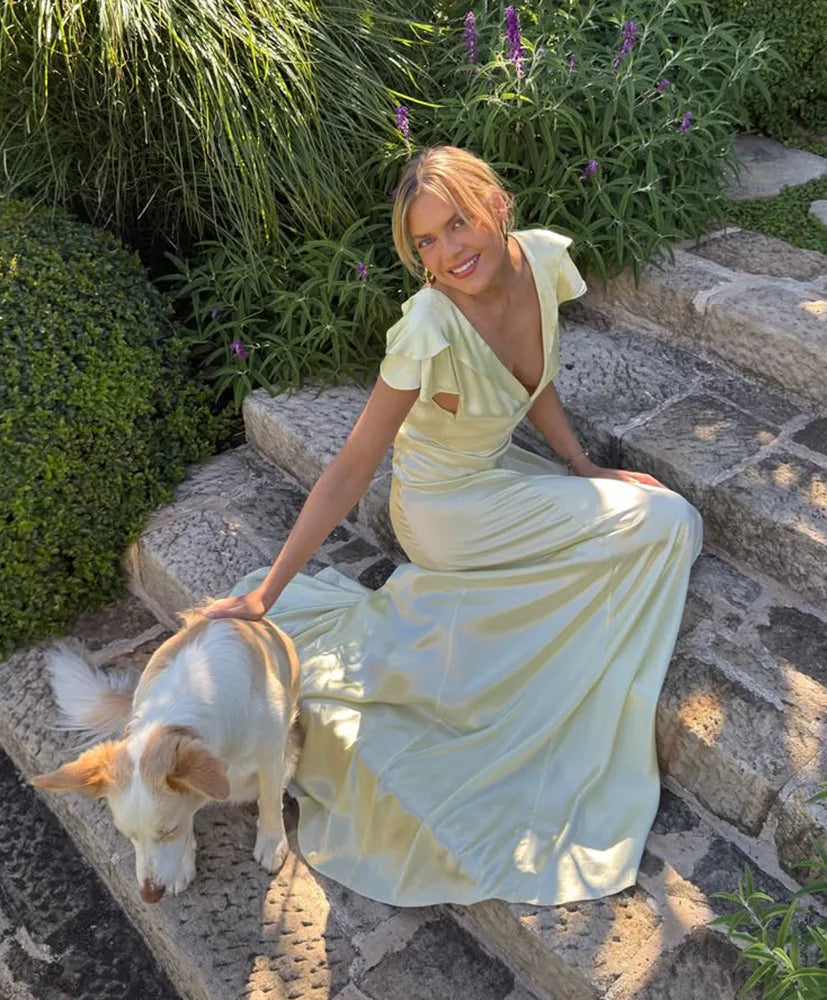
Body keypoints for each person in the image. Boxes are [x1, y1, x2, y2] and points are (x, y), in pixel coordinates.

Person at [204, 145, 703, 907]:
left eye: (458, 224)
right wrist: (269, 593)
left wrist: (583, 467)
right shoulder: (429, 324)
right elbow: (352, 465)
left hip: (496, 480)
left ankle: (540, 632)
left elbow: (530, 384)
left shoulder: (539, 264)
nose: (447, 253)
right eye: (426, 243)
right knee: (668, 523)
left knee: (667, 525)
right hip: (442, 509)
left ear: (497, 207)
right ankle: (557, 692)